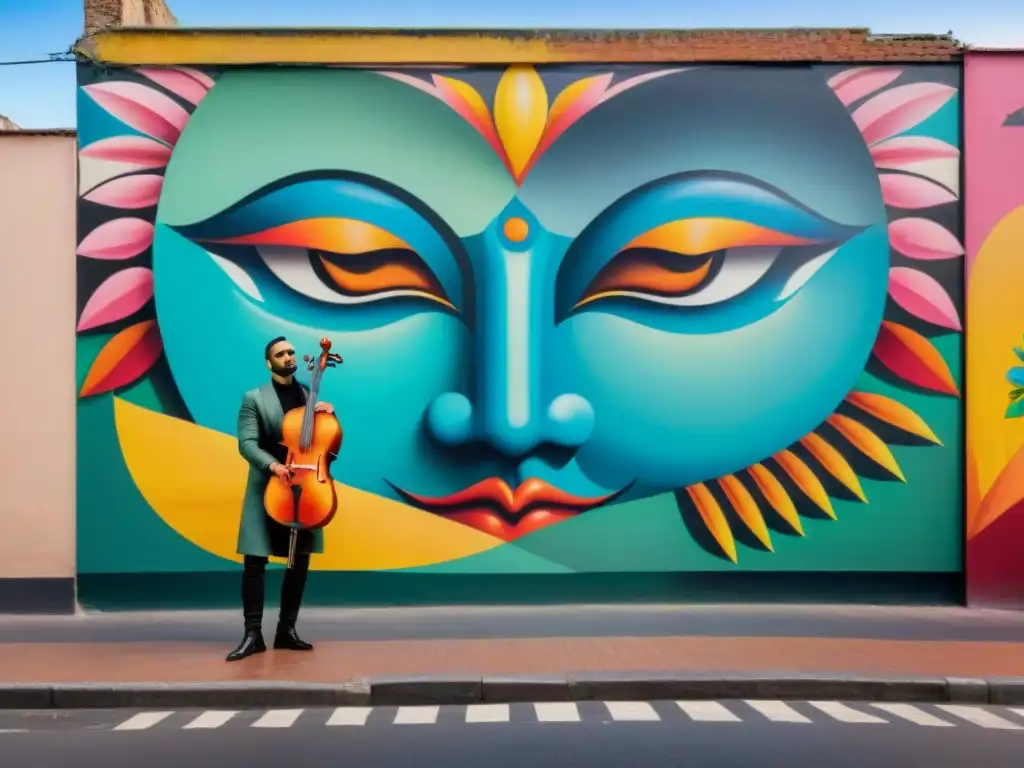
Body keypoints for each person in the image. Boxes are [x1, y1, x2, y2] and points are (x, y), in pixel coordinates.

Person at [226, 336, 334, 662]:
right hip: (268, 486)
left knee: (298, 562)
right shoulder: (254, 398)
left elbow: (321, 445)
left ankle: (286, 631)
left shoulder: (308, 396)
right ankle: (252, 635)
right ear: (268, 362)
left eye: (290, 352)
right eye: (280, 353)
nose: (287, 356)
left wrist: (326, 417)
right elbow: (247, 444)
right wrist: (273, 466)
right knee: (255, 562)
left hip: (306, 487)